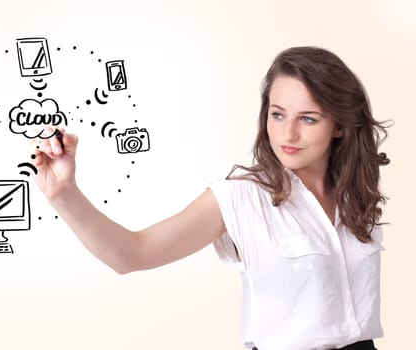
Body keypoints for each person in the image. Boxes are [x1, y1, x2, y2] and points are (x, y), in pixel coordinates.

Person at [31, 46, 391, 350]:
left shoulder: (355, 196)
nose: (288, 133)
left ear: (340, 125)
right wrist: (65, 194)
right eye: (277, 114)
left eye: (308, 119)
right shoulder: (241, 197)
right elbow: (131, 253)